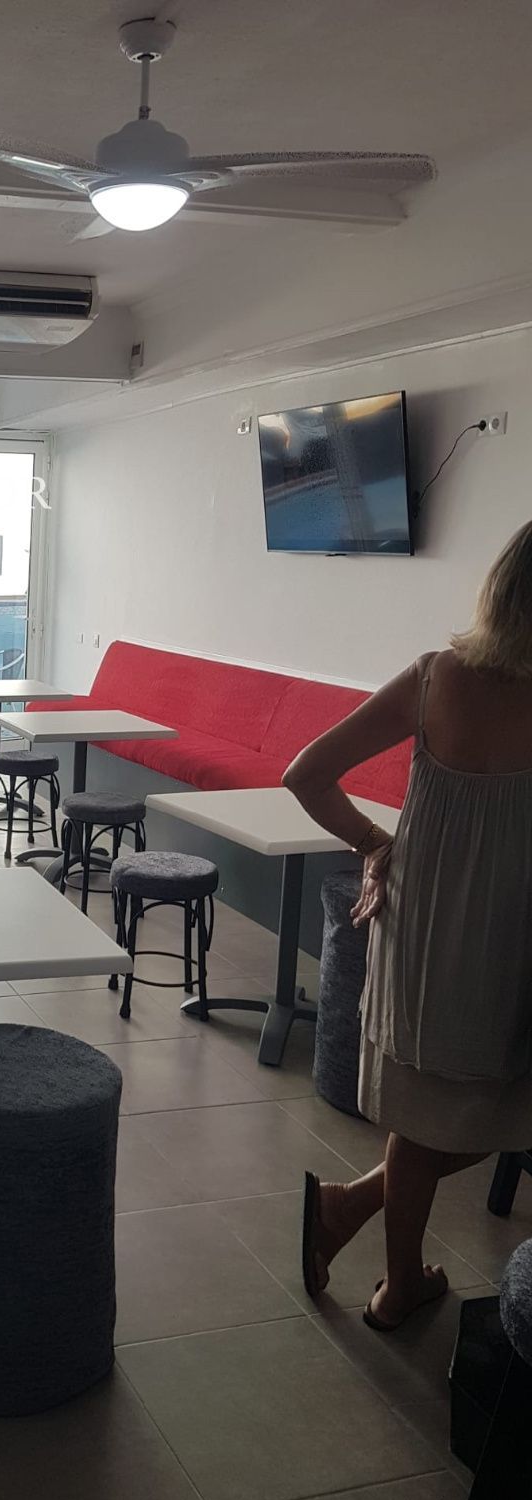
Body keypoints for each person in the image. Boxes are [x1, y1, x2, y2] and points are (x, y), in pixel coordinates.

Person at [284, 521, 532, 1331]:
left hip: (422, 930)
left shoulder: (434, 678)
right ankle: (389, 1278)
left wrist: (375, 843)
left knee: (432, 1116)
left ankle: (361, 1231)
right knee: (484, 1115)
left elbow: (306, 774)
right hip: (507, 939)